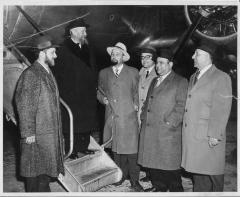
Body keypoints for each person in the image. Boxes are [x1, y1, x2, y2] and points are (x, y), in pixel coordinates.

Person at [14, 35, 64, 192]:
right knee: (34, 175)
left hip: (46, 133)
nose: (55, 55)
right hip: (35, 136)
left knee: (43, 173)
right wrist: (28, 133)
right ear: (42, 53)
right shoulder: (31, 74)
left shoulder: (46, 72)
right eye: (53, 52)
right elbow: (24, 104)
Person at [181, 43, 232, 192]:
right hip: (194, 135)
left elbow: (221, 108)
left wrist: (215, 134)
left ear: (209, 57)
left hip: (207, 135)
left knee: (213, 175)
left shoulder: (221, 77)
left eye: (197, 54)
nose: (193, 57)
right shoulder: (193, 76)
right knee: (199, 174)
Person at [138, 48, 188, 192]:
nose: (158, 66)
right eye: (157, 63)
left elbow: (181, 106)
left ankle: (175, 191)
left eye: (162, 63)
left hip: (167, 132)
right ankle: (159, 187)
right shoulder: (154, 80)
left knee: (170, 167)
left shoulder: (180, 81)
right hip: (151, 129)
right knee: (154, 163)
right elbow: (148, 101)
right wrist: (143, 116)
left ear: (170, 64)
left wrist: (170, 123)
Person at [97, 42, 143, 191]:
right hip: (112, 116)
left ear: (124, 56)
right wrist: (102, 99)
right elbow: (99, 91)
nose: (114, 56)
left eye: (117, 54)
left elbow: (136, 91)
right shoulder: (103, 73)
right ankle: (120, 176)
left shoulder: (133, 72)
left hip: (128, 116)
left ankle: (135, 181)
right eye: (112, 54)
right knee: (116, 150)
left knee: (132, 151)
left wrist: (136, 104)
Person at [52, 18, 97, 159]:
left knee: (86, 121)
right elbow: (57, 73)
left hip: (87, 93)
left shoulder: (87, 48)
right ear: (73, 32)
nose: (85, 33)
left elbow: (93, 69)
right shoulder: (63, 50)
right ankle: (72, 150)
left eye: (85, 31)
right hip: (71, 94)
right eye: (83, 31)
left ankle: (84, 147)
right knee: (72, 122)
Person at [138, 46, 157, 182]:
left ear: (154, 59)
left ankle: (154, 174)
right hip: (140, 112)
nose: (144, 60)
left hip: (152, 114)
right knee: (143, 143)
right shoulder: (141, 71)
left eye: (147, 57)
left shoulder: (159, 72)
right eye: (142, 57)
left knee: (152, 144)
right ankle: (149, 172)